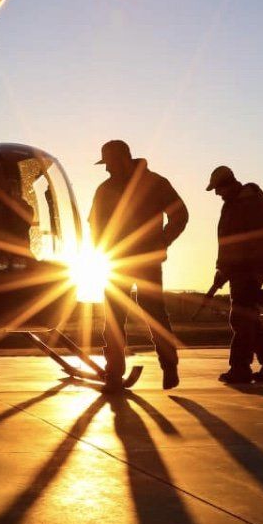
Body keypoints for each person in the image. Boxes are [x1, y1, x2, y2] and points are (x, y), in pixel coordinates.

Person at [90, 139, 189, 389]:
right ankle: (114, 373)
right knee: (115, 317)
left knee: (152, 313)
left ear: (122, 159)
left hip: (143, 261)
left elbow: (180, 214)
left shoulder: (154, 183)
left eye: (109, 163)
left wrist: (163, 240)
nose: (106, 169)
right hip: (116, 263)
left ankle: (169, 366)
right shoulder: (106, 188)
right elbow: (94, 225)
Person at [207, 165, 263, 385]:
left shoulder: (250, 205)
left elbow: (256, 241)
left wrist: (245, 270)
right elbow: (228, 243)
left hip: (248, 270)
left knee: (240, 318)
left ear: (227, 184)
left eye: (218, 189)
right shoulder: (235, 204)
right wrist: (222, 269)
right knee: (249, 319)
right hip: (239, 269)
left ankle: (240, 368)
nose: (217, 194)